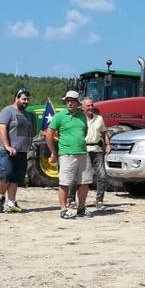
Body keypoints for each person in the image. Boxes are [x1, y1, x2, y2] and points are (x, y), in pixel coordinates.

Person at [47, 90, 91, 219]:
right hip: (66, 154)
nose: (69, 102)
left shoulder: (83, 116)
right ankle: (63, 209)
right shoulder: (59, 116)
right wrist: (53, 153)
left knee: (85, 182)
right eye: (67, 100)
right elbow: (49, 135)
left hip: (83, 153)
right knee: (65, 183)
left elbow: (85, 132)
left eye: (72, 100)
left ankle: (81, 208)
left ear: (78, 103)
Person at [0, 88, 34, 213]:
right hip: (6, 151)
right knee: (6, 175)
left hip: (22, 151)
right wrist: (7, 146)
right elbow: (2, 129)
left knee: (16, 178)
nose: (26, 101)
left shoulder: (28, 115)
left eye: (27, 99)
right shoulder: (7, 111)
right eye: (23, 99)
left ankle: (11, 202)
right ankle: (1, 198)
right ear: (16, 98)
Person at [82, 98, 110, 208]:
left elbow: (104, 132)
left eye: (91, 105)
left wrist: (108, 144)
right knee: (82, 177)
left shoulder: (99, 119)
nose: (90, 108)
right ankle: (71, 199)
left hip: (97, 150)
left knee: (102, 175)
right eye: (88, 106)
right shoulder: (80, 119)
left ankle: (99, 200)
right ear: (83, 107)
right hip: (84, 150)